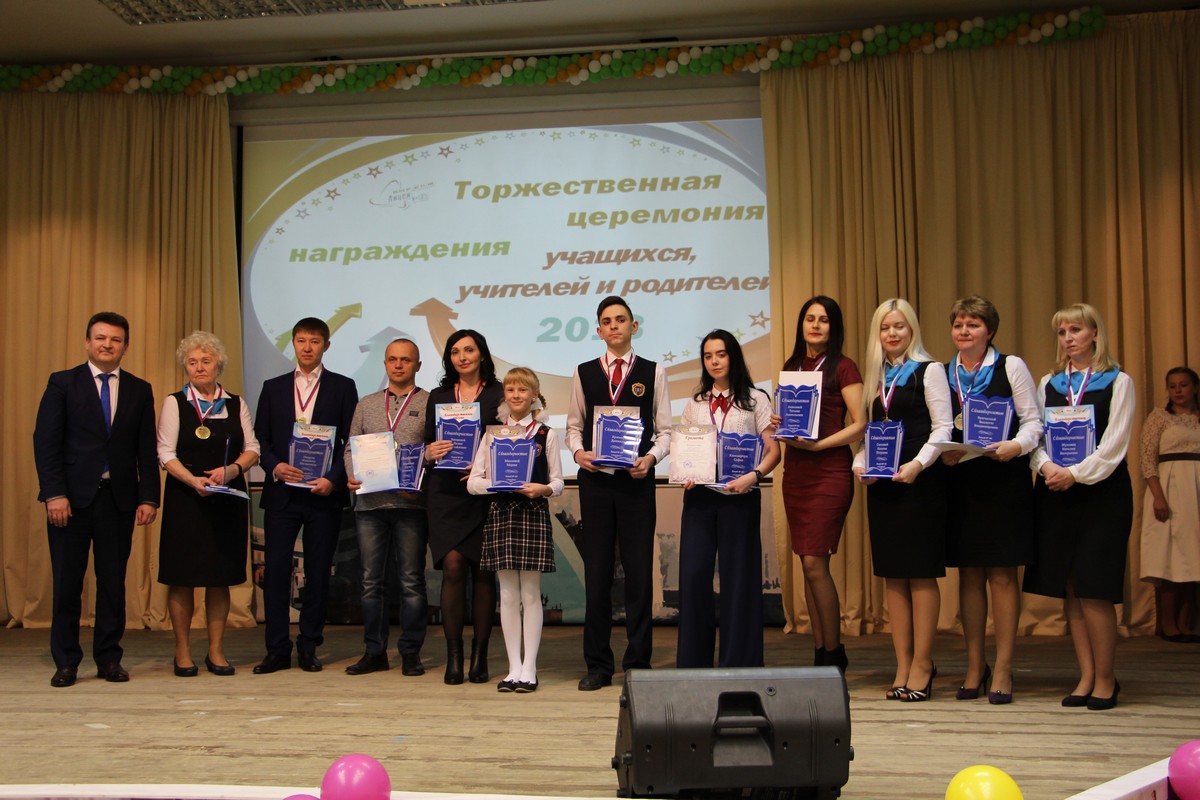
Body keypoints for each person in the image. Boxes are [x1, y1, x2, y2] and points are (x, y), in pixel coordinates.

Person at [33, 312, 160, 687]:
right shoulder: (62, 383)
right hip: (69, 502)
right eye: (101, 338)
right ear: (88, 342)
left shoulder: (139, 389)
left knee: (112, 584)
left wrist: (149, 497)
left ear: (125, 346)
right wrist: (54, 494)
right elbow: (46, 443)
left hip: (118, 501)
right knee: (67, 584)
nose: (108, 344)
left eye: (115, 339)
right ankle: (66, 662)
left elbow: (145, 449)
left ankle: (109, 658)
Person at [1025, 302, 1134, 711]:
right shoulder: (1049, 383)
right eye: (1062, 332)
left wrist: (1075, 473)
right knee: (1070, 586)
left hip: (1102, 495)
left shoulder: (1118, 381)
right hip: (1056, 492)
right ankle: (1086, 675)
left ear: (1095, 334)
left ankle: (1106, 679)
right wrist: (1047, 467)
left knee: (1095, 588)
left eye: (1076, 330)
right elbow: (1035, 436)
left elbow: (1115, 445)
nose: (1068, 338)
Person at [938, 296, 1041, 704]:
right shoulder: (943, 372)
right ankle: (974, 665)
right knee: (969, 576)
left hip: (1004, 481)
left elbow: (1033, 422)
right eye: (958, 324)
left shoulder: (1010, 366)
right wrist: (941, 452)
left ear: (990, 331)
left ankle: (1004, 667)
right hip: (961, 482)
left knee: (1001, 575)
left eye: (973, 324)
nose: (964, 331)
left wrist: (1016, 446)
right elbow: (939, 426)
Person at [566, 295, 672, 691]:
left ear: (633, 326)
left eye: (621, 320)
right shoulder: (584, 372)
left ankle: (638, 662)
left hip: (636, 482)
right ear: (598, 330)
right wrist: (579, 453)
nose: (614, 326)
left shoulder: (653, 372)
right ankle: (597, 664)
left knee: (638, 574)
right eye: (607, 321)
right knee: (597, 573)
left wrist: (651, 458)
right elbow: (573, 427)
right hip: (595, 483)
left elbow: (665, 431)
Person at [852, 298, 952, 702]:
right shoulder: (876, 377)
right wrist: (861, 465)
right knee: (894, 575)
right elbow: (869, 432)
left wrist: (918, 465)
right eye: (885, 327)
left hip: (920, 483)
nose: (892, 334)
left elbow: (943, 429)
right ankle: (903, 664)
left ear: (912, 330)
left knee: (920, 574)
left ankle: (923, 665)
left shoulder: (930, 370)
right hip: (884, 487)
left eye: (899, 326)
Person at [252, 317, 358, 674]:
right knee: (277, 572)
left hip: (323, 493)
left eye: (314, 341)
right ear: (294, 344)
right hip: (282, 493)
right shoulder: (273, 387)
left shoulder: (343, 387)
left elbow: (351, 441)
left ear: (326, 345)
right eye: (301, 340)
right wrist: (275, 466)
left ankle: (309, 645)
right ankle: (276, 648)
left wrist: (333, 479)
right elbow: (261, 438)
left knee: (318, 572)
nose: (307, 347)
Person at [157, 331, 260, 677]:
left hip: (226, 500)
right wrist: (192, 480)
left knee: (220, 577)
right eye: (192, 362)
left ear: (219, 365)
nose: (199, 367)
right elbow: (165, 452)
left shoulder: (236, 403)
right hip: (186, 499)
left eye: (206, 361)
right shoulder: (174, 403)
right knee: (181, 577)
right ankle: (182, 651)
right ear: (185, 367)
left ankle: (216, 651)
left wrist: (231, 471)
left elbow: (253, 448)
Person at [676, 330, 780, 669]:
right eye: (708, 356)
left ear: (733, 356)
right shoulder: (695, 404)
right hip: (700, 498)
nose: (714, 361)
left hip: (741, 496)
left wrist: (754, 475)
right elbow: (684, 450)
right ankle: (693, 665)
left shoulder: (756, 400)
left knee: (740, 580)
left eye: (721, 354)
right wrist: (686, 472)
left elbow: (773, 451)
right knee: (693, 576)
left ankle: (741, 664)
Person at [778, 296, 864, 672]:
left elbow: (860, 423)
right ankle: (820, 653)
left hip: (829, 470)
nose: (815, 325)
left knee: (816, 563)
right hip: (796, 472)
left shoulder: (843, 367)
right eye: (810, 318)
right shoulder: (792, 366)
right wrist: (777, 423)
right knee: (806, 563)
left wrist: (819, 445)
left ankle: (834, 653)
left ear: (834, 327)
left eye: (824, 320)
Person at [467, 367, 564, 692]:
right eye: (510, 390)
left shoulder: (546, 434)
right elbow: (473, 483)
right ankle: (513, 669)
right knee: (507, 594)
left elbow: (558, 482)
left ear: (534, 395)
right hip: (501, 514)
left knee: (530, 593)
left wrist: (542, 489)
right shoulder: (493, 434)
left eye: (523, 390)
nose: (516, 395)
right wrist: (497, 484)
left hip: (532, 513)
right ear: (504, 396)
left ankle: (530, 669)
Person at [343, 338, 429, 676]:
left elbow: (436, 450)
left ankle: (410, 653)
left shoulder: (429, 402)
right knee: (370, 582)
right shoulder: (366, 404)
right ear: (385, 364)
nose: (398, 365)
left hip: (411, 505)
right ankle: (375, 652)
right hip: (370, 505)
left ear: (417, 365)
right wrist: (351, 474)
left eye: (406, 360)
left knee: (411, 581)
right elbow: (350, 448)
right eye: (393, 359)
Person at [424, 329, 503, 684]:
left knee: (484, 573)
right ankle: (453, 657)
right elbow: (427, 441)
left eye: (469, 350)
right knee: (453, 568)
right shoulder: (439, 396)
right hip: (445, 493)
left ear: (481, 354)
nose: (462, 357)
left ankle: (479, 656)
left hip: (484, 492)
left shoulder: (500, 393)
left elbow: (510, 438)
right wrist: (428, 452)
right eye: (455, 352)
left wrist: (485, 465)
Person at [1140, 366, 1200, 643]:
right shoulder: (1159, 417)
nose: (1178, 390)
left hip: (1196, 491)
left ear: (1195, 388)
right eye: (1172, 385)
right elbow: (1147, 459)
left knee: (1193, 558)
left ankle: (1185, 623)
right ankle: (1167, 624)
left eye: (1183, 385)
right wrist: (1158, 496)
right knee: (1169, 558)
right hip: (1169, 490)